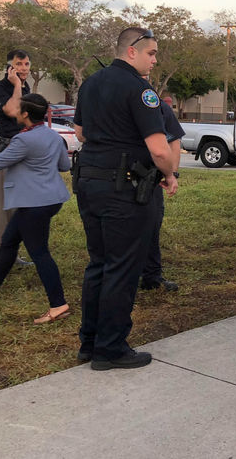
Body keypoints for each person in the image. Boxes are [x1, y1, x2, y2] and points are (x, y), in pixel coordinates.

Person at [74, 27, 179, 371]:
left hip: (89, 182)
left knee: (99, 264)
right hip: (123, 188)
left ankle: (89, 342)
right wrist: (169, 174)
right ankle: (111, 348)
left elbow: (80, 133)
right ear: (132, 51)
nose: (154, 60)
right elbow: (159, 147)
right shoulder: (140, 89)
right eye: (151, 53)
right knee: (122, 268)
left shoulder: (90, 84)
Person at [0, 94, 72, 323]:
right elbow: (64, 166)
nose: (14, 111)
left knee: (39, 252)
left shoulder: (23, 140)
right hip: (49, 199)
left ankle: (58, 304)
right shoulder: (53, 136)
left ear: (25, 114)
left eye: (18, 108)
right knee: (8, 243)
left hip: (34, 203)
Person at [0, 50, 32, 264]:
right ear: (10, 67)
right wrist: (16, 85)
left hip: (23, 150)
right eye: (19, 64)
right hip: (5, 151)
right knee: (3, 205)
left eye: (26, 64)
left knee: (19, 204)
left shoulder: (27, 88)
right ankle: (1, 254)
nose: (24, 68)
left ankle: (12, 253)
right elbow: (14, 110)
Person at [139, 96, 184, 292]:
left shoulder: (152, 101)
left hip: (149, 177)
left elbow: (173, 139)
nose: (154, 62)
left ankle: (151, 276)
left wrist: (171, 173)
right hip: (114, 177)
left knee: (151, 226)